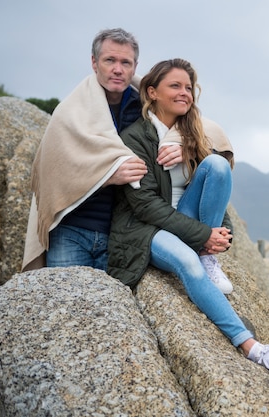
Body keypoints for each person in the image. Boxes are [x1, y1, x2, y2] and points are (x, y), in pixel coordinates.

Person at [106, 58, 269, 376]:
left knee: (218, 165)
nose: (184, 93)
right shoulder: (134, 138)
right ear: (152, 92)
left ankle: (210, 258)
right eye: (175, 86)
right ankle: (256, 350)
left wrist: (220, 229)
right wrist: (202, 235)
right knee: (187, 262)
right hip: (146, 228)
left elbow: (214, 188)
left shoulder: (192, 134)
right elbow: (145, 205)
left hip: (185, 219)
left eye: (188, 87)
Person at [21, 28, 182, 271]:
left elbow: (193, 123)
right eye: (110, 60)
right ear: (94, 62)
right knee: (66, 306)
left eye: (125, 62)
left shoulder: (147, 105)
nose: (118, 69)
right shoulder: (70, 112)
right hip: (71, 231)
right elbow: (51, 175)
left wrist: (182, 143)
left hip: (122, 234)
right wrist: (107, 175)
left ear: (135, 66)